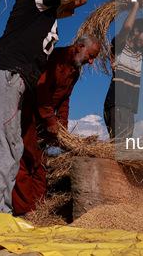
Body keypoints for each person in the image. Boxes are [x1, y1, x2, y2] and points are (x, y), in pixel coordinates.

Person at [0, 0, 94, 214]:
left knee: (15, 148)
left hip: (12, 79)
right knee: (4, 148)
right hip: (6, 74)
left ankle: (3, 212)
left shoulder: (47, 11)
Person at [11, 34, 100, 215]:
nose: (91, 62)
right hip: (31, 111)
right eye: (91, 56)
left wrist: (62, 128)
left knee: (40, 162)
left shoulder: (75, 69)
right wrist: (50, 120)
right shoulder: (57, 58)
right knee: (26, 157)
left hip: (45, 119)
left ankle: (40, 207)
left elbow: (65, 99)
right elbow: (41, 88)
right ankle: (24, 210)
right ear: (80, 47)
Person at [103, 0, 143, 140]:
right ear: (136, 32)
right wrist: (136, 5)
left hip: (129, 107)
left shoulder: (140, 54)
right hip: (117, 104)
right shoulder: (119, 47)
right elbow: (127, 27)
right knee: (119, 147)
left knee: (124, 148)